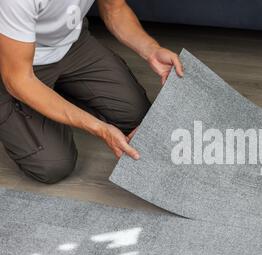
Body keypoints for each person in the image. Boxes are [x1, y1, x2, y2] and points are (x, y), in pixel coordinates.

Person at [0, 0, 184, 184]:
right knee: (53, 165)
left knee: (136, 116)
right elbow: (19, 79)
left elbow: (115, 9)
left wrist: (152, 50)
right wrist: (99, 128)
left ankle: (56, 96)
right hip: (17, 65)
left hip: (71, 45)